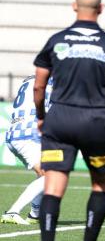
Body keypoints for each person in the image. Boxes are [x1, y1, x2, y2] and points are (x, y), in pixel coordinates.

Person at [33, 0, 105, 241]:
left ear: (74, 6)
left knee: (53, 188)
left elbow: (39, 85)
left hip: (60, 121)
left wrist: (41, 116)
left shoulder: (56, 40)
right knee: (100, 186)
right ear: (100, 9)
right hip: (96, 122)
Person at [1, 76, 52, 225]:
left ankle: (35, 215)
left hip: (14, 132)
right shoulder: (57, 80)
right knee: (50, 174)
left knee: (44, 172)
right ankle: (13, 212)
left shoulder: (29, 79)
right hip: (29, 134)